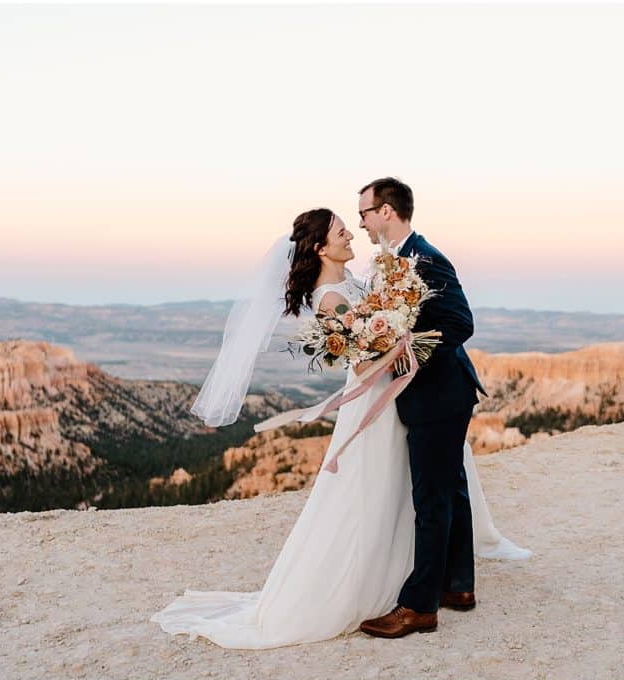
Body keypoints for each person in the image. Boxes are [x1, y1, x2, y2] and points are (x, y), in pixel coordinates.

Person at [150, 204, 530, 650]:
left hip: (395, 395)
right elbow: (366, 359)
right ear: (320, 247)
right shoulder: (329, 297)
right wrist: (399, 343)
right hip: (377, 398)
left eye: (351, 228)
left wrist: (399, 332)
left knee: (414, 487)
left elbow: (379, 329)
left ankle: (433, 580)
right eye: (341, 232)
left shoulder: (346, 283)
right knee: (373, 491)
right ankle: (381, 586)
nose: (351, 235)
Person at [356, 177, 487, 639]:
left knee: (430, 498)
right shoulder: (398, 262)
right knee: (450, 489)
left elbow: (460, 323)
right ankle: (458, 586)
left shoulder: (426, 259)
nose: (363, 224)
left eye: (365, 214)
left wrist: (405, 354)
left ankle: (419, 606)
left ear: (387, 211)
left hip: (437, 393)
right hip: (443, 395)